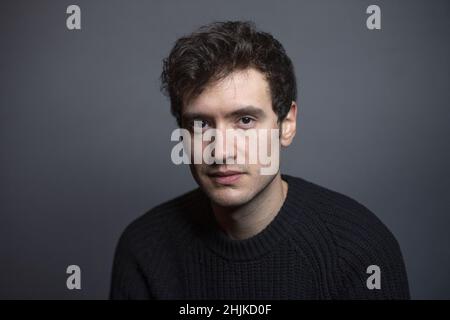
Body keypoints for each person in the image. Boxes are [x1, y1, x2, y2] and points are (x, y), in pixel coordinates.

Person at [110, 21, 410, 299]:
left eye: (244, 120)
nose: (221, 151)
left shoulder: (359, 249)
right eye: (201, 124)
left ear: (286, 124)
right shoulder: (144, 249)